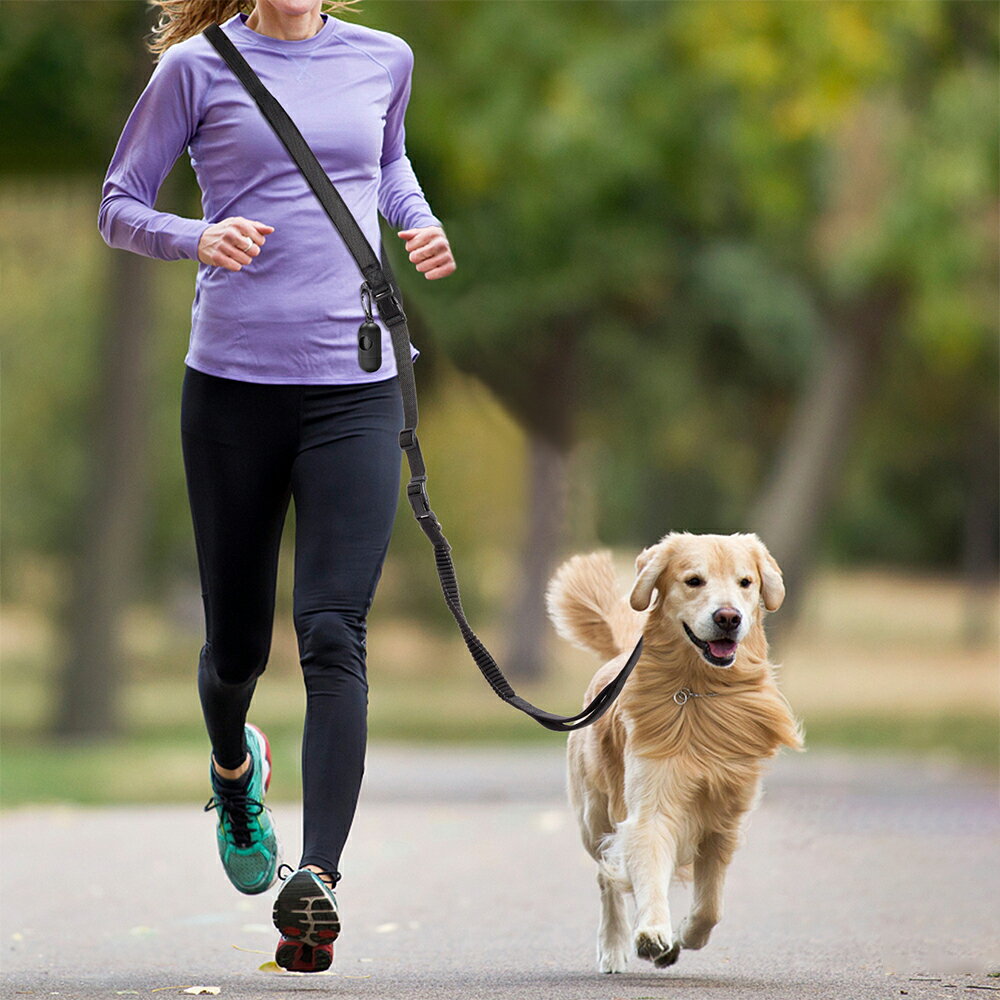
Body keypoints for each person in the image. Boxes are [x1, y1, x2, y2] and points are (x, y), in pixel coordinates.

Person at [98, 0, 454, 974]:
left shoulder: (385, 58)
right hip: (232, 390)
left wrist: (415, 224)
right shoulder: (196, 68)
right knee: (235, 648)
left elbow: (385, 167)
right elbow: (117, 203)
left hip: (357, 383)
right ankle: (233, 767)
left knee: (335, 628)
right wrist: (193, 238)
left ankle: (318, 880)